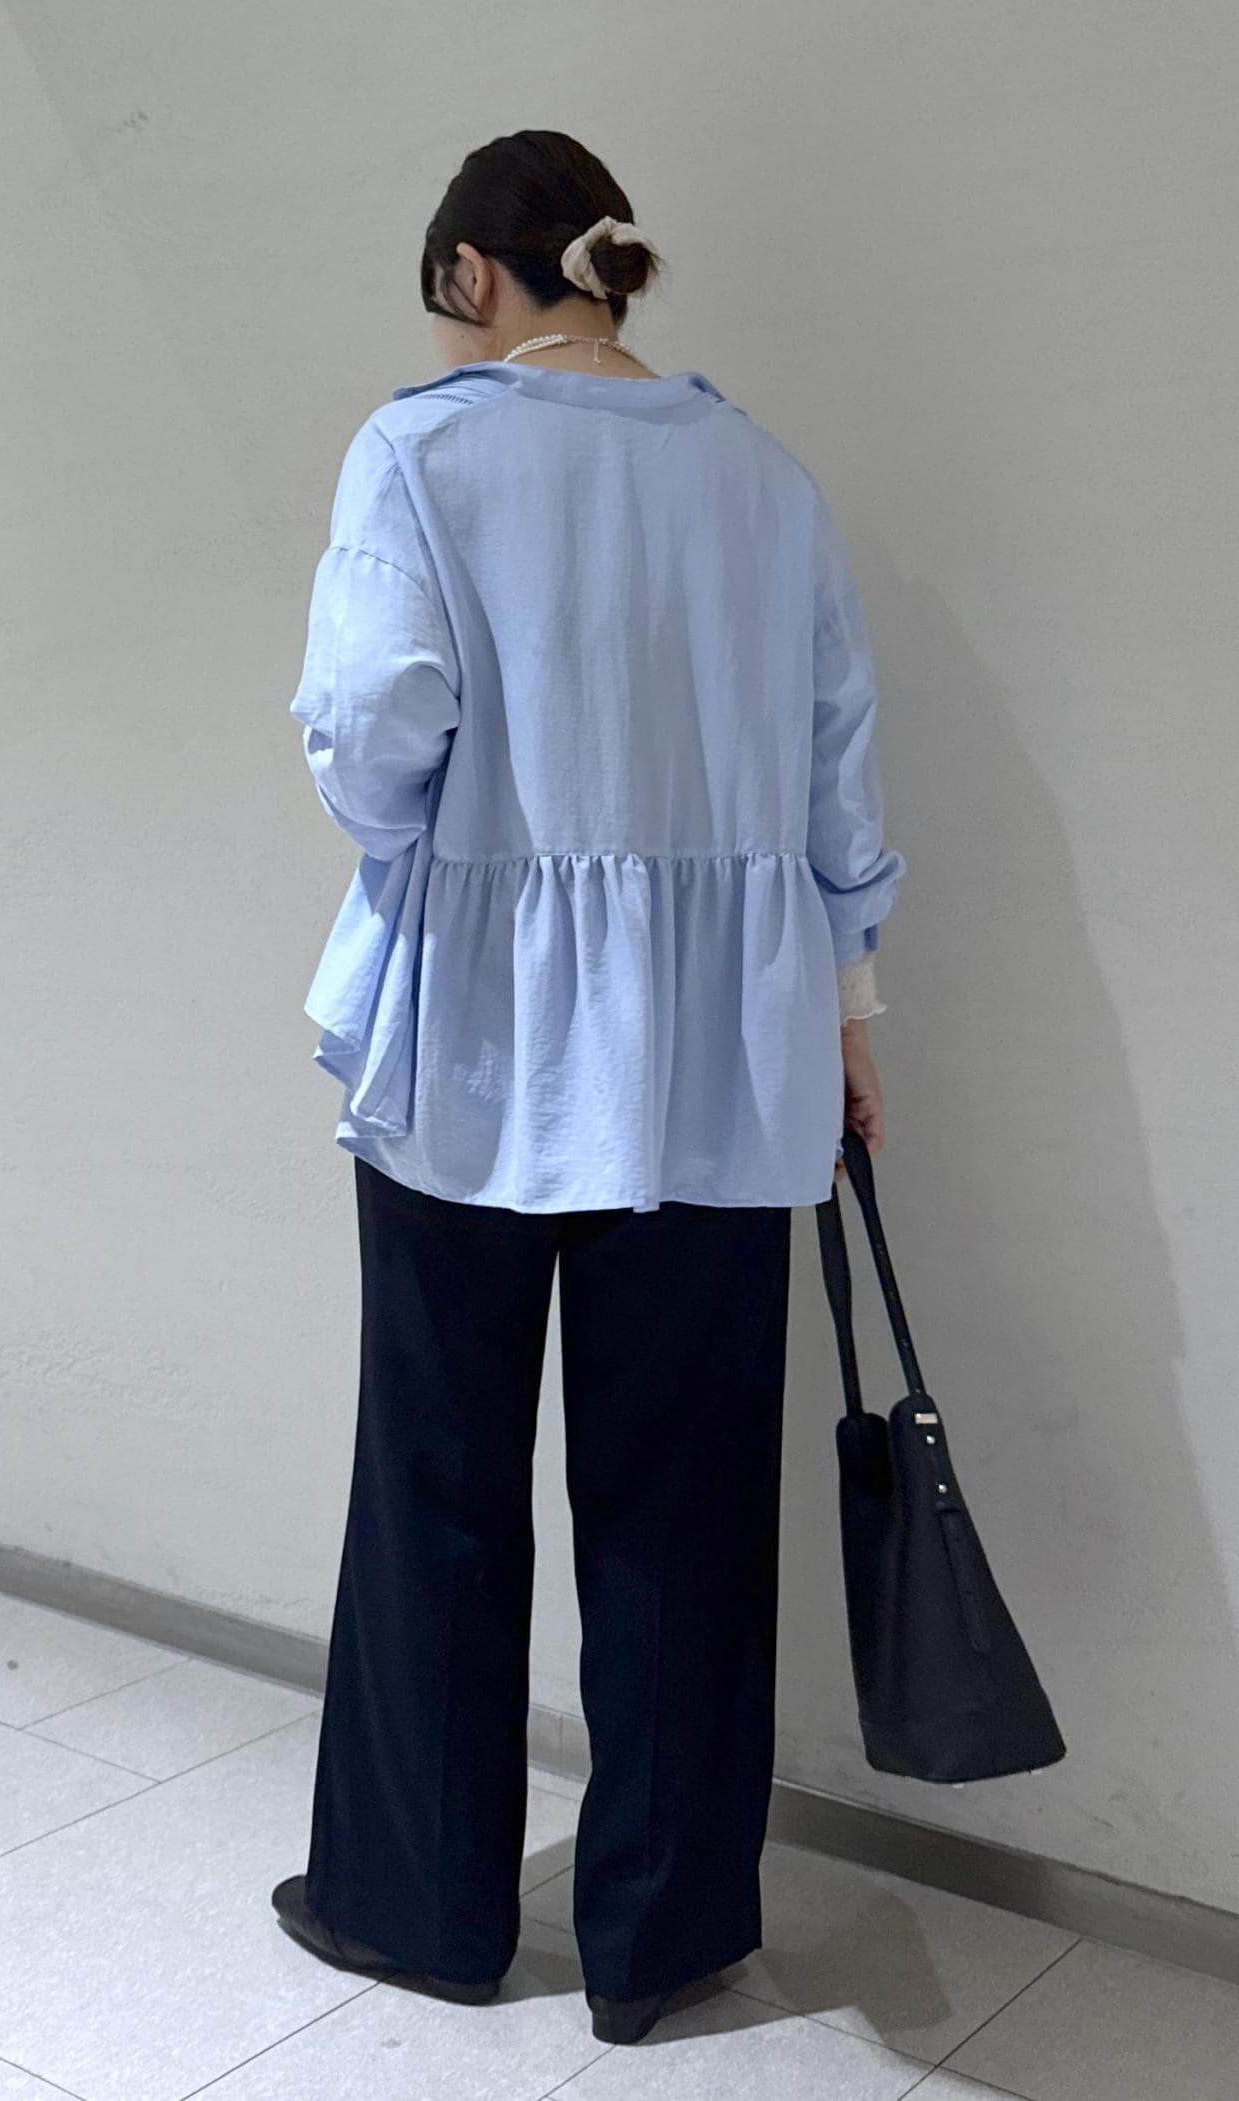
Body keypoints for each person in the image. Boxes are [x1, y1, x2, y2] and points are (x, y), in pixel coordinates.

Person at [273, 128, 904, 2046]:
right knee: (687, 1504)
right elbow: (837, 783)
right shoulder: (765, 476)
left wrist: (451, 828)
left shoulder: (422, 452)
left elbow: (370, 732)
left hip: (479, 1046)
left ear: (473, 273)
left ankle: (417, 1903)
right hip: (727, 1056)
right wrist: (848, 1025)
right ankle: (665, 1934)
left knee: (439, 1486)